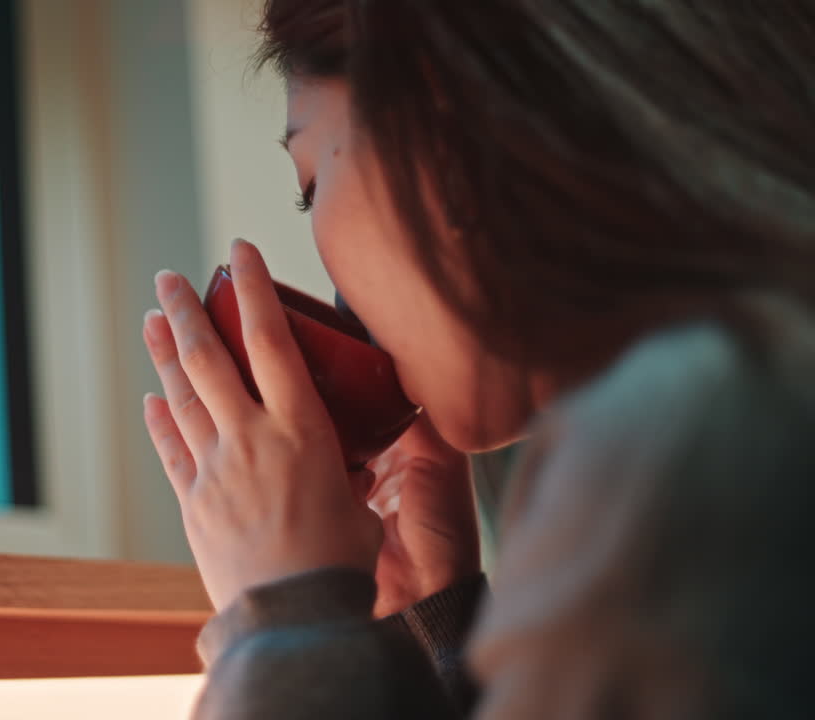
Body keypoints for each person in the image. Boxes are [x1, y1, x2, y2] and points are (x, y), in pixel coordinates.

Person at [140, 1, 815, 718]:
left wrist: (285, 624)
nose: (339, 298)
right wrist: (439, 626)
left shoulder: (697, 438)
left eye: (311, 189)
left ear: (438, 129)